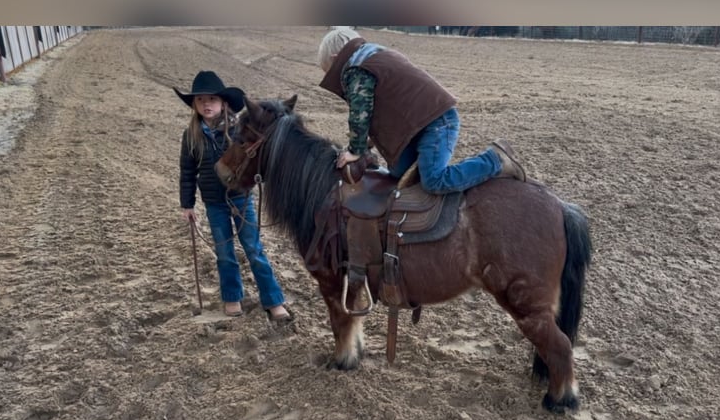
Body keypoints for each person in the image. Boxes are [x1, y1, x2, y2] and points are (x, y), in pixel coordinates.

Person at [317, 28, 526, 193]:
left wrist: (355, 150)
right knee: (397, 172)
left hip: (437, 122)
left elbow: (360, 113)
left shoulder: (357, 70)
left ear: (337, 58)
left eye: (332, 73)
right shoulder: (373, 56)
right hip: (423, 123)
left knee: (434, 180)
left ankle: (496, 160)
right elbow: (385, 108)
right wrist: (367, 144)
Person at [175, 71, 292, 322]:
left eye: (212, 99)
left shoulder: (240, 128)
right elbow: (187, 171)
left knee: (253, 248)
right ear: (195, 105)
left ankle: (273, 299)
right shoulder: (191, 136)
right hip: (213, 203)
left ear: (224, 103)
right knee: (224, 252)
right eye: (201, 100)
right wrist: (187, 204)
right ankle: (231, 296)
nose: (207, 104)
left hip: (240, 198)